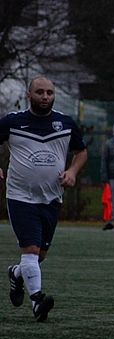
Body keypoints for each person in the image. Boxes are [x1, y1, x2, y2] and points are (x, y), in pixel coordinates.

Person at [2, 76, 88, 322]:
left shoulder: (65, 123)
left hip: (51, 198)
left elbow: (81, 152)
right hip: (20, 196)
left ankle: (17, 274)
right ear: (29, 95)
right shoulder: (12, 122)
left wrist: (72, 172)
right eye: (40, 92)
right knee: (30, 251)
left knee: (39, 256)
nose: (45, 96)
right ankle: (37, 301)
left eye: (49, 92)